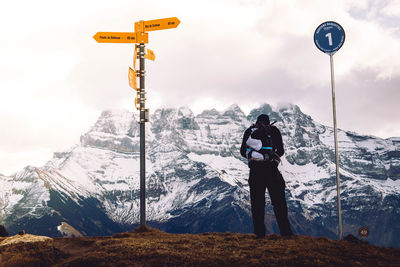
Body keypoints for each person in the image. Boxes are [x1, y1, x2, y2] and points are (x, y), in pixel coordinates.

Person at [240, 114, 293, 238]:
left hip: (255, 172)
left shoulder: (249, 131)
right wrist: (270, 155)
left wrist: (255, 156)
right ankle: (286, 233)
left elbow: (243, 151)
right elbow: (280, 151)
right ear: (269, 122)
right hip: (272, 171)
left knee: (257, 204)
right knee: (279, 203)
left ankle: (259, 234)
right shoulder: (274, 131)